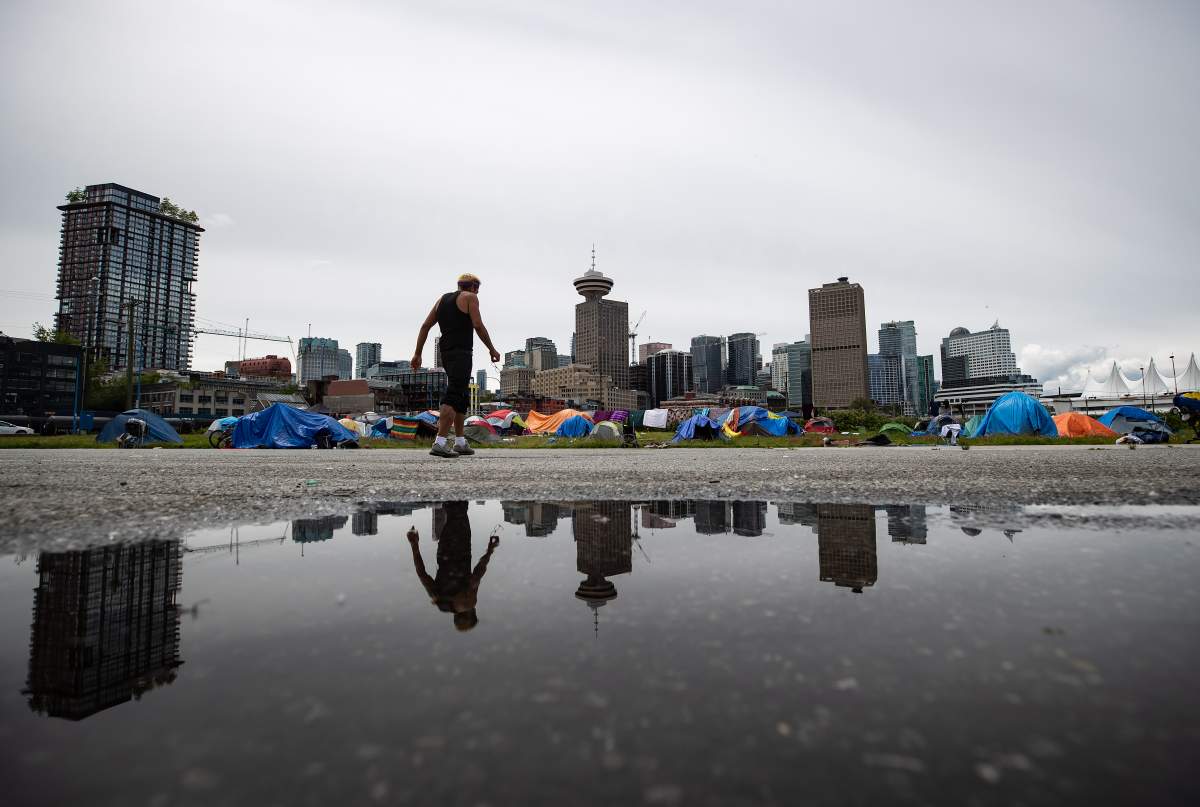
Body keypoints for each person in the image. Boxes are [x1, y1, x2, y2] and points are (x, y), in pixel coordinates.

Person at [411, 274, 501, 458]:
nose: (478, 292)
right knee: (453, 395)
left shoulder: (441, 300)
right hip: (461, 352)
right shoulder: (470, 298)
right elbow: (478, 324)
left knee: (461, 395)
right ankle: (440, 442)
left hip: (447, 353)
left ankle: (460, 442)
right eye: (478, 289)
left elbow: (425, 326)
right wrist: (492, 348)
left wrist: (417, 353)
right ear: (474, 287)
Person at [407, 501, 499, 631]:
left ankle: (454, 488)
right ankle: (449, 491)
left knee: (459, 513)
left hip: (461, 551)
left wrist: (490, 551)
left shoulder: (468, 603)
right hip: (444, 551)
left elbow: (476, 577)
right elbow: (422, 574)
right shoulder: (440, 602)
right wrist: (414, 544)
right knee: (453, 515)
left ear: (471, 614)